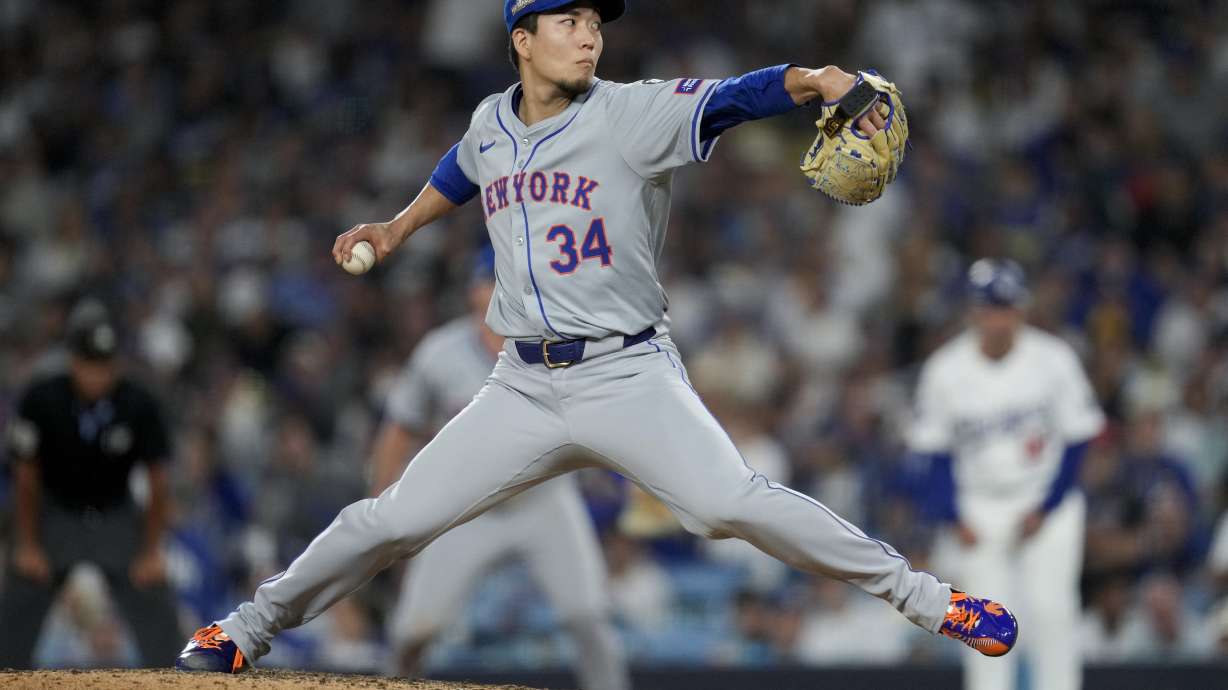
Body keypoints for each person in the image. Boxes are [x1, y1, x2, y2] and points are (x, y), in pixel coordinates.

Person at [177, 0, 1017, 674]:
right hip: (521, 386)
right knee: (390, 521)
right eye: (569, 20)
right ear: (522, 39)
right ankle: (244, 631)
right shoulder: (490, 121)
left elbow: (737, 95)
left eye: (594, 22)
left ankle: (930, 600)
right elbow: (464, 166)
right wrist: (396, 227)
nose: (589, 35)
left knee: (727, 506)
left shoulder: (632, 113)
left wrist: (821, 80)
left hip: (627, 374)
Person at [371, 250, 628, 689]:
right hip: (467, 511)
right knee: (413, 631)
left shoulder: (560, 342)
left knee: (588, 616)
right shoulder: (441, 353)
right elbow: (400, 429)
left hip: (545, 504)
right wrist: (383, 504)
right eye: (489, 283)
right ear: (473, 293)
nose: (497, 292)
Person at [910, 259, 1105, 690]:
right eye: (989, 307)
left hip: (1045, 499)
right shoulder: (945, 370)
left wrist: (1047, 506)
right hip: (978, 506)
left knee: (1052, 611)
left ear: (1021, 309)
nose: (998, 318)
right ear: (973, 312)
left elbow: (1078, 439)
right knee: (982, 626)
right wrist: (953, 516)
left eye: (1006, 307)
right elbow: (934, 452)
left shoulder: (1053, 359)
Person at [1, 299, 181, 667]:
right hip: (56, 513)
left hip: (115, 513)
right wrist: (28, 543)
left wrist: (151, 550)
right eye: (89, 365)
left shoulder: (139, 403)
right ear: (73, 361)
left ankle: (176, 676)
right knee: (22, 586)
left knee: (153, 590)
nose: (96, 376)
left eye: (105, 366)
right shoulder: (42, 399)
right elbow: (25, 475)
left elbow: (159, 480)